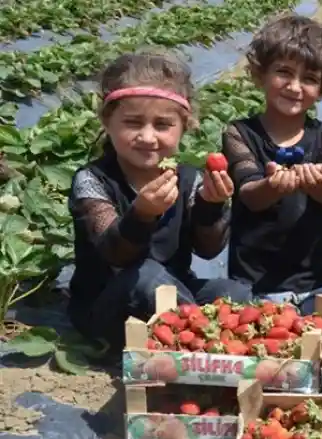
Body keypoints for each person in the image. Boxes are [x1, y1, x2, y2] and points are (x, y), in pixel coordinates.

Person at [67, 51, 252, 353]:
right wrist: (142, 214)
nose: (148, 137)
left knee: (234, 292)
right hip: (109, 304)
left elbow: (209, 249)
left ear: (185, 125)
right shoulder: (92, 180)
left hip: (174, 292)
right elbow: (115, 253)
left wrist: (210, 205)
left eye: (162, 125)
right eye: (133, 122)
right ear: (107, 121)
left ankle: (198, 339)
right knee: (148, 276)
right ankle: (206, 347)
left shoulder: (189, 178)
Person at [222, 14, 322, 315]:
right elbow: (250, 194)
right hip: (254, 283)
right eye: (284, 72)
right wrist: (272, 186)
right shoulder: (240, 133)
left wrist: (316, 178)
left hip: (319, 280)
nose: (294, 87)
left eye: (309, 79)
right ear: (261, 73)